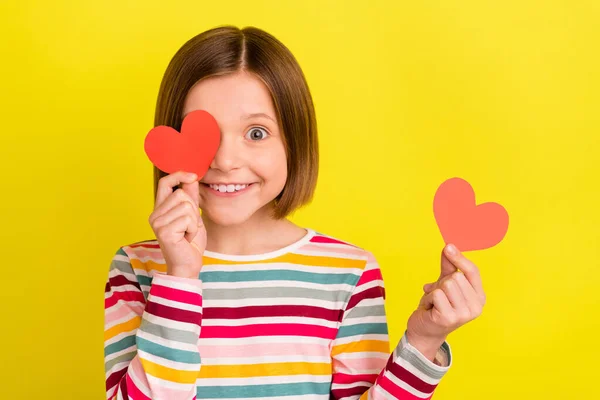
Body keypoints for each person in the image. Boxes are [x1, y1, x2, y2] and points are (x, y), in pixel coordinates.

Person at [103, 25, 486, 400]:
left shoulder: (348, 273)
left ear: (294, 141)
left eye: (256, 133)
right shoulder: (137, 268)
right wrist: (181, 277)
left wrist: (423, 341)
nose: (225, 160)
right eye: (205, 133)